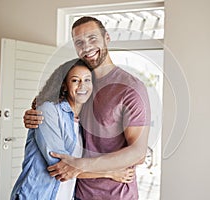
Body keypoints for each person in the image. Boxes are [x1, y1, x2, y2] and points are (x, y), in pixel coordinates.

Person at [24, 16, 151, 200]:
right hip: (77, 192)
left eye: (92, 38)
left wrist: (80, 165)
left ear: (107, 38)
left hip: (115, 195)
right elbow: (51, 111)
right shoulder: (81, 85)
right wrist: (34, 114)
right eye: (79, 42)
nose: (87, 47)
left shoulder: (130, 88)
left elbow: (138, 153)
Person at [12, 58, 134, 200]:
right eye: (75, 80)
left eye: (87, 80)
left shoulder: (85, 118)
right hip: (37, 195)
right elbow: (61, 167)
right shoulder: (48, 110)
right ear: (64, 85)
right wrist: (110, 173)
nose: (82, 86)